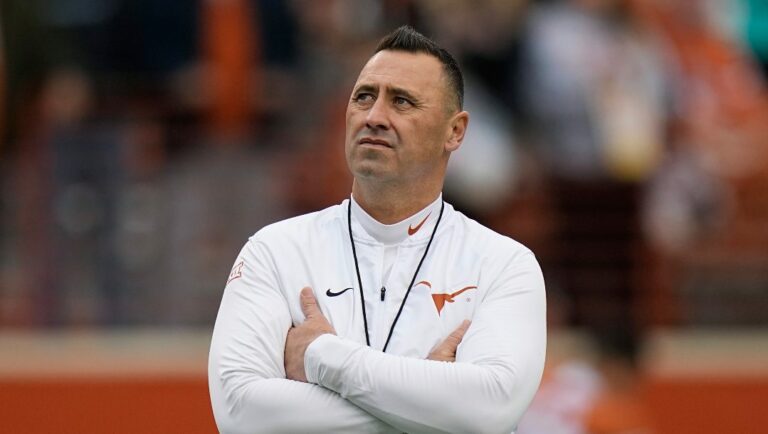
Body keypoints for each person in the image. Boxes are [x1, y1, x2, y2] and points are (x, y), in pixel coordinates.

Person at [208, 26, 546, 434]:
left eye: (401, 101)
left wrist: (321, 356)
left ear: (454, 131)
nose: (374, 117)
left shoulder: (503, 264)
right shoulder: (275, 250)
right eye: (364, 97)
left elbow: (489, 411)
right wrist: (431, 410)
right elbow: (240, 414)